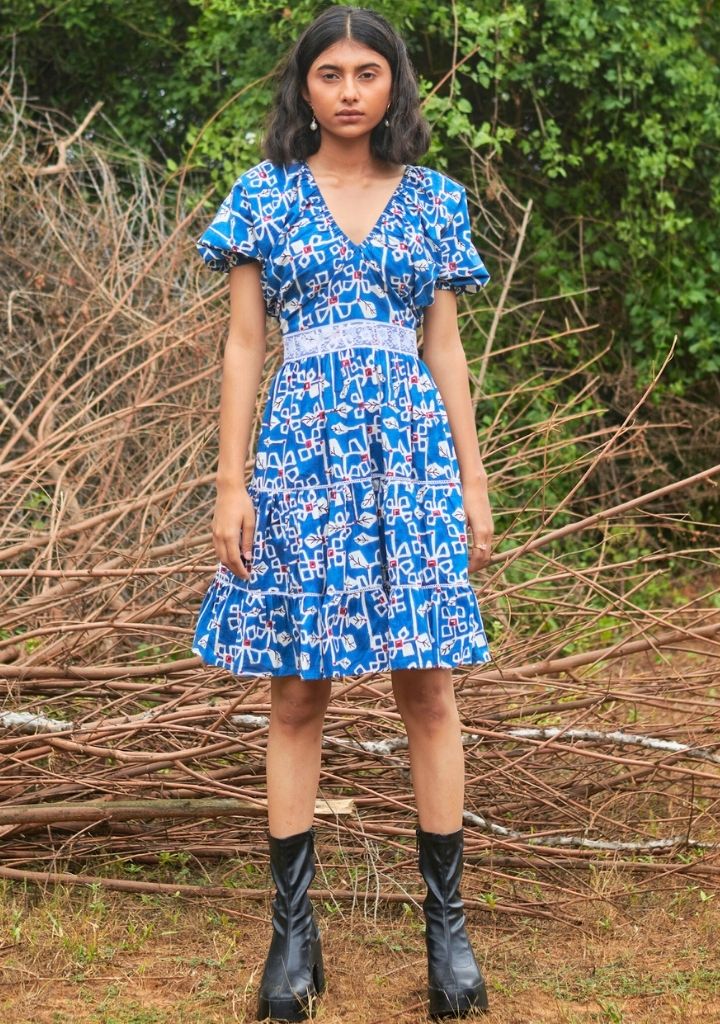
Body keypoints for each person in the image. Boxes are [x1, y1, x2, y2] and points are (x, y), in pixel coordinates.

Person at [191, 5, 494, 1020]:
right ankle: (293, 934)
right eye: (331, 73)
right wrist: (230, 482)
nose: (351, 90)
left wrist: (474, 480)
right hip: (300, 461)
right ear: (306, 86)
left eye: (369, 72)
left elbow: (445, 348)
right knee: (297, 693)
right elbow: (244, 345)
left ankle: (447, 932)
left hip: (410, 461)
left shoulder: (436, 199)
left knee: (429, 687)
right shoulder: (264, 196)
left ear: (394, 84)